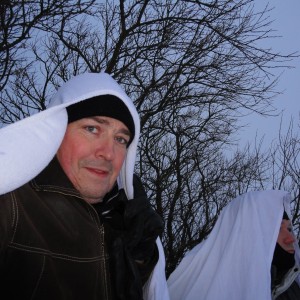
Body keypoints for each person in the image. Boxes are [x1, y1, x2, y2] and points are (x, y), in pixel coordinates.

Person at [0, 72, 170, 300]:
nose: (108, 153)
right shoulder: (12, 207)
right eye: (92, 129)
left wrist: (139, 260)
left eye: (120, 139)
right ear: (56, 132)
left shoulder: (125, 223)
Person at [167, 190, 300, 300]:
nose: (291, 239)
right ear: (247, 233)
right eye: (276, 229)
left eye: (289, 229)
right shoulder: (198, 285)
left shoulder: (294, 289)